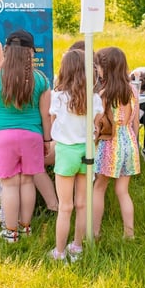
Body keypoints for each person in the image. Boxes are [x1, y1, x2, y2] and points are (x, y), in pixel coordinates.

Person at [0, 29, 52, 243]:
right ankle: (25, 228)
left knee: (9, 185)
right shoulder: (41, 79)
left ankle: (11, 233)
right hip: (33, 136)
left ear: (8, 51)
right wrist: (47, 140)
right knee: (27, 182)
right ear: (31, 52)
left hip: (3, 138)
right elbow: (45, 114)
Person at [48, 49, 103, 261]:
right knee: (82, 204)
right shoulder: (95, 98)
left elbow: (53, 122)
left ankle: (59, 252)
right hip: (87, 151)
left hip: (66, 152)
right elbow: (96, 124)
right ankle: (77, 247)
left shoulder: (58, 97)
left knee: (65, 206)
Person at [93, 47, 140, 239]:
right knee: (123, 191)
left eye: (97, 66)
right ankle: (129, 234)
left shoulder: (104, 94)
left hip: (110, 143)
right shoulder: (132, 91)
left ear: (106, 68)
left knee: (99, 187)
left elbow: (97, 123)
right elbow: (135, 122)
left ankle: (94, 232)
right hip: (129, 140)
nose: (97, 70)